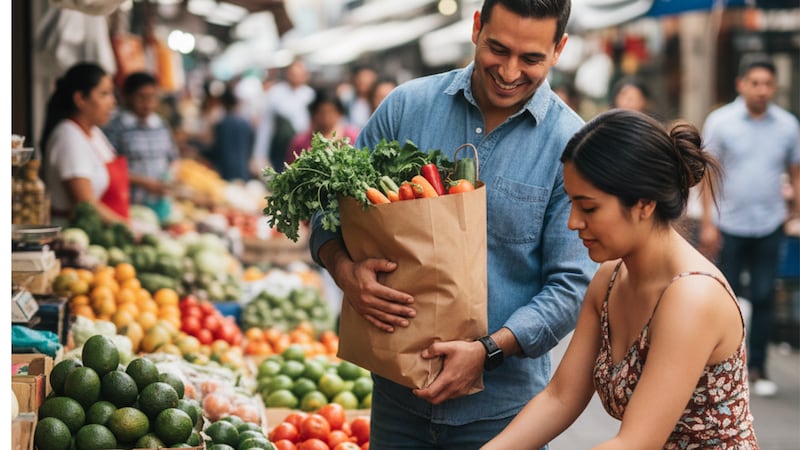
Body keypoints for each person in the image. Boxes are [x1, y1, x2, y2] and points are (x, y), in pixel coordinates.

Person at [309, 1, 596, 447]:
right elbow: (328, 209)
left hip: (504, 416)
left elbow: (572, 284)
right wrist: (345, 271)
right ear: (476, 27)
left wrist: (489, 350)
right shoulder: (406, 108)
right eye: (498, 49)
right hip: (397, 400)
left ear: (558, 50)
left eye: (531, 58)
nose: (509, 71)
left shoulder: (571, 146)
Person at [483, 109, 758, 450]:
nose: (572, 222)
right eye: (572, 204)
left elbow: (635, 442)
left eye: (589, 208)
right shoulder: (609, 279)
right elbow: (560, 397)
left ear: (644, 204)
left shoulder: (692, 296)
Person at [699, 53, 800, 397]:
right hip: (728, 223)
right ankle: (723, 367)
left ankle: (757, 368)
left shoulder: (788, 125)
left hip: (770, 223)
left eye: (768, 83)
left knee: (764, 295)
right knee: (725, 298)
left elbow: (796, 172)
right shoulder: (720, 122)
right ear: (741, 84)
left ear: (775, 86)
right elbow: (708, 175)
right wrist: (709, 222)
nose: (761, 90)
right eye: (755, 83)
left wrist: (795, 213)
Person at [41, 61, 129, 224]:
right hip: (74, 232)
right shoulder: (68, 136)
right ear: (80, 99)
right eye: (104, 94)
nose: (113, 102)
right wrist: (127, 227)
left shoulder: (94, 132)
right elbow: (85, 203)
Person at [103, 71, 179, 221]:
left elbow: (173, 158)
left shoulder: (161, 125)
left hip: (161, 204)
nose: (148, 103)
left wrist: (169, 176)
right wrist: (145, 183)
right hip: (129, 206)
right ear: (127, 97)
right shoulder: (116, 127)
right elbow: (109, 168)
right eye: (142, 97)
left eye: (152, 97)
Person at [250, 58, 315, 175]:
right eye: (293, 73)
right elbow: (266, 125)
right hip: (280, 149)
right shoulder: (276, 93)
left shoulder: (310, 95)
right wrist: (259, 154)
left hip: (303, 148)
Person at [284, 88, 360, 166]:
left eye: (331, 112)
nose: (326, 118)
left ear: (339, 113)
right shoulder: (301, 142)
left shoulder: (354, 137)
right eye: (321, 113)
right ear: (314, 114)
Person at [207, 86, 254, 182]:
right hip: (243, 168)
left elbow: (217, 148)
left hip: (226, 170)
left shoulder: (222, 124)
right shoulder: (245, 123)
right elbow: (250, 146)